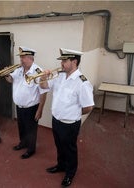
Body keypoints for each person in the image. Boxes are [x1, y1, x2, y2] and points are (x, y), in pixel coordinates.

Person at [40, 48, 94, 187]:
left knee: (70, 149)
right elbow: (45, 86)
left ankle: (70, 173)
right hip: (56, 120)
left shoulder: (82, 82)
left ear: (74, 62)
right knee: (59, 146)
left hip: (70, 124)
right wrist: (43, 77)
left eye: (65, 60)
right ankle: (61, 165)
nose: (62, 63)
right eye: (62, 60)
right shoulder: (59, 76)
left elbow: (89, 106)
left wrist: (74, 113)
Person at [5, 46, 48, 159]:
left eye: (23, 58)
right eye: (21, 58)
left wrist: (40, 110)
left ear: (30, 58)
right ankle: (23, 143)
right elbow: (10, 80)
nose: (21, 60)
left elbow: (43, 92)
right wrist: (7, 74)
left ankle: (31, 149)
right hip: (19, 106)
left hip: (31, 107)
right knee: (22, 127)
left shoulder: (38, 71)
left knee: (31, 130)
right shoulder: (19, 69)